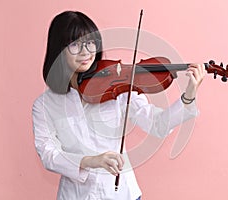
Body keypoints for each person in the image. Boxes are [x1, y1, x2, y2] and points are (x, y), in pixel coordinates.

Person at [32, 10, 206, 200]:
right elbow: (48, 154)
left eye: (90, 43)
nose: (86, 52)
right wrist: (91, 161)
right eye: (75, 44)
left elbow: (157, 124)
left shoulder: (117, 87)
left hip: (121, 194)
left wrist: (188, 96)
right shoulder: (44, 105)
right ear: (58, 50)